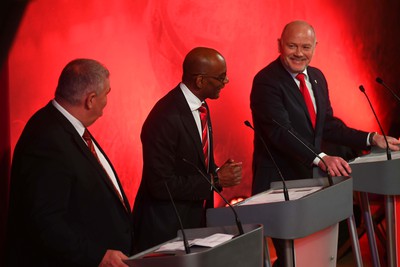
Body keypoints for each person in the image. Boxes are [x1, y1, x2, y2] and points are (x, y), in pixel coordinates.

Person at [250, 20, 400, 266]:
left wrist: (371, 138)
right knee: (292, 260)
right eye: (292, 46)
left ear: (315, 47)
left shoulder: (317, 77)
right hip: (281, 186)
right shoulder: (267, 81)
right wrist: (321, 158)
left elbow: (328, 125)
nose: (299, 53)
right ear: (279, 44)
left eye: (306, 47)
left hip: (313, 183)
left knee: (317, 256)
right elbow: (281, 133)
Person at [6, 59, 134, 267]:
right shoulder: (46, 138)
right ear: (90, 99)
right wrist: (98, 256)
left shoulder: (65, 125)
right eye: (107, 94)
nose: (107, 101)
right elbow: (45, 222)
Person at [132, 47, 242, 253]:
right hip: (166, 230)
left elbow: (194, 163)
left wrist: (218, 172)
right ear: (200, 81)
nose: (226, 82)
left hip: (193, 224)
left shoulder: (201, 106)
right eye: (221, 77)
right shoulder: (164, 118)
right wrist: (215, 181)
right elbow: (160, 184)